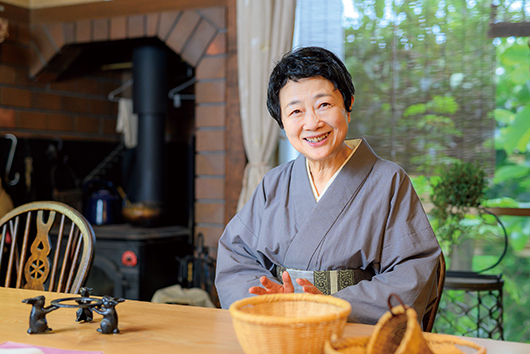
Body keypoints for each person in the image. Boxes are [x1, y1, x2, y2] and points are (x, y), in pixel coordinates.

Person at [215, 46, 441, 325]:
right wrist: (267, 300)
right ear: (283, 123)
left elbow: (413, 271)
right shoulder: (273, 184)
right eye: (296, 111)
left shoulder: (389, 181)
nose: (312, 122)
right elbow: (236, 258)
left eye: (324, 104)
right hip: (281, 327)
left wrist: (330, 307)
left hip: (352, 331)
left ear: (348, 105)